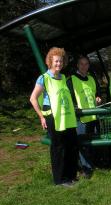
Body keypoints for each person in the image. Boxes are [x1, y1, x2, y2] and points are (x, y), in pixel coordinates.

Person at [30, 47, 79, 187]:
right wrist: (41, 117)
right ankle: (59, 179)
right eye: (56, 61)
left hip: (67, 117)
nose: (59, 64)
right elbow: (33, 98)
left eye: (61, 61)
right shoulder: (43, 78)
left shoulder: (62, 77)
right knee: (58, 147)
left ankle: (70, 176)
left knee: (72, 145)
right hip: (53, 117)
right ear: (50, 61)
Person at [67, 55, 101, 178]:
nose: (84, 66)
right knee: (81, 144)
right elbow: (69, 98)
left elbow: (98, 93)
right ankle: (86, 169)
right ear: (77, 65)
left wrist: (98, 98)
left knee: (90, 144)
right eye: (81, 64)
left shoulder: (92, 78)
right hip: (80, 118)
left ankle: (89, 165)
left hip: (93, 117)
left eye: (86, 64)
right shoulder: (71, 80)